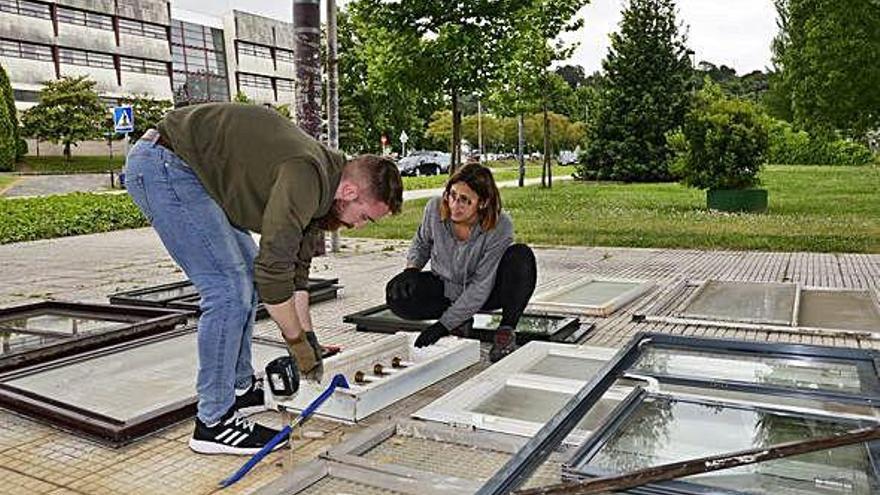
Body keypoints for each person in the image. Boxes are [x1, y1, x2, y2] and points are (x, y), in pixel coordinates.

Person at [123, 103, 403, 455]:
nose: (358, 226)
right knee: (228, 291)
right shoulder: (306, 175)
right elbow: (273, 276)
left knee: (243, 283)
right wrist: (297, 345)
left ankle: (239, 389)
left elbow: (296, 275)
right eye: (364, 217)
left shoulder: (323, 186)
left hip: (193, 173)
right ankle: (213, 421)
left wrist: (311, 340)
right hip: (166, 165)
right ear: (349, 192)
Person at [385, 163, 537, 362]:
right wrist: (411, 271)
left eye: (465, 200)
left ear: (482, 203)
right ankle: (461, 321)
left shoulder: (500, 226)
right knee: (398, 297)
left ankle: (505, 332)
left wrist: (443, 326)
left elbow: (481, 286)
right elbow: (421, 242)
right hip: (446, 288)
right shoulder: (435, 208)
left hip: (488, 292)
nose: (455, 205)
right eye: (452, 195)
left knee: (521, 257)